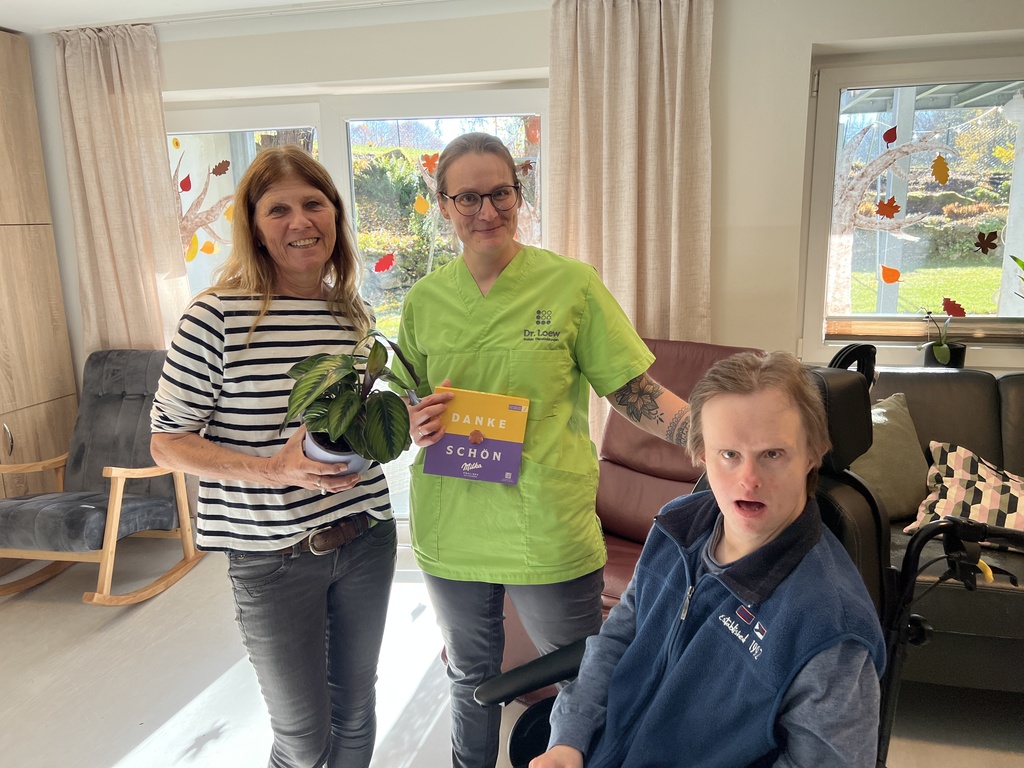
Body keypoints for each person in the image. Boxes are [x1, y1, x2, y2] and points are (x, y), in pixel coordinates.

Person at [395, 132, 692, 768]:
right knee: (469, 675)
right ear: (443, 205)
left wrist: (714, 440)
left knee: (582, 675)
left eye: (500, 193)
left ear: (519, 194)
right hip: (453, 522)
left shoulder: (570, 286)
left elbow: (633, 391)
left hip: (545, 521)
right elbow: (407, 404)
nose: (487, 211)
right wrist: (413, 423)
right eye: (468, 198)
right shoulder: (424, 301)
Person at [150, 145, 397, 768]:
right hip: (273, 558)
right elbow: (165, 442)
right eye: (278, 209)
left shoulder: (351, 311)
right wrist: (272, 470)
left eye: (314, 204)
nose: (300, 221)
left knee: (357, 711)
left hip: (367, 537)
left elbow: (355, 424)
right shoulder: (214, 317)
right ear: (254, 227)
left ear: (335, 215)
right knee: (303, 738)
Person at [531, 351, 886, 768]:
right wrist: (569, 739)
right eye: (728, 454)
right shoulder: (676, 526)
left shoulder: (828, 627)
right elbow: (618, 640)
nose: (748, 480)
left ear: (814, 453)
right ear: (702, 454)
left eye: (772, 454)